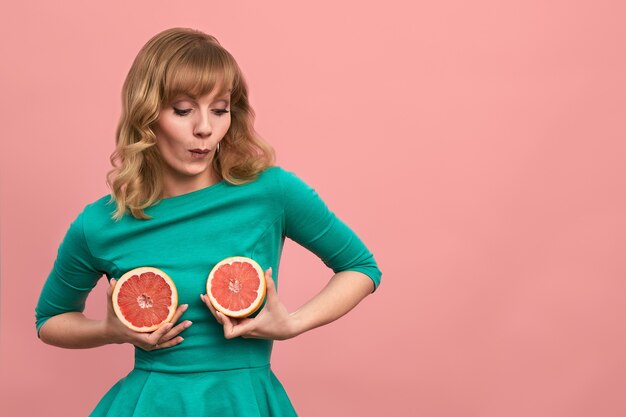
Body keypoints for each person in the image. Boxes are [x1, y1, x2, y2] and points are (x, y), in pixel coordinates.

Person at [35, 27, 382, 416]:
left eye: (220, 109)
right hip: (151, 404)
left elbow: (361, 268)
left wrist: (292, 324)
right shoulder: (101, 222)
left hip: (246, 402)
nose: (205, 128)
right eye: (183, 110)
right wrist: (109, 331)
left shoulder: (272, 193)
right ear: (146, 115)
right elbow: (50, 319)